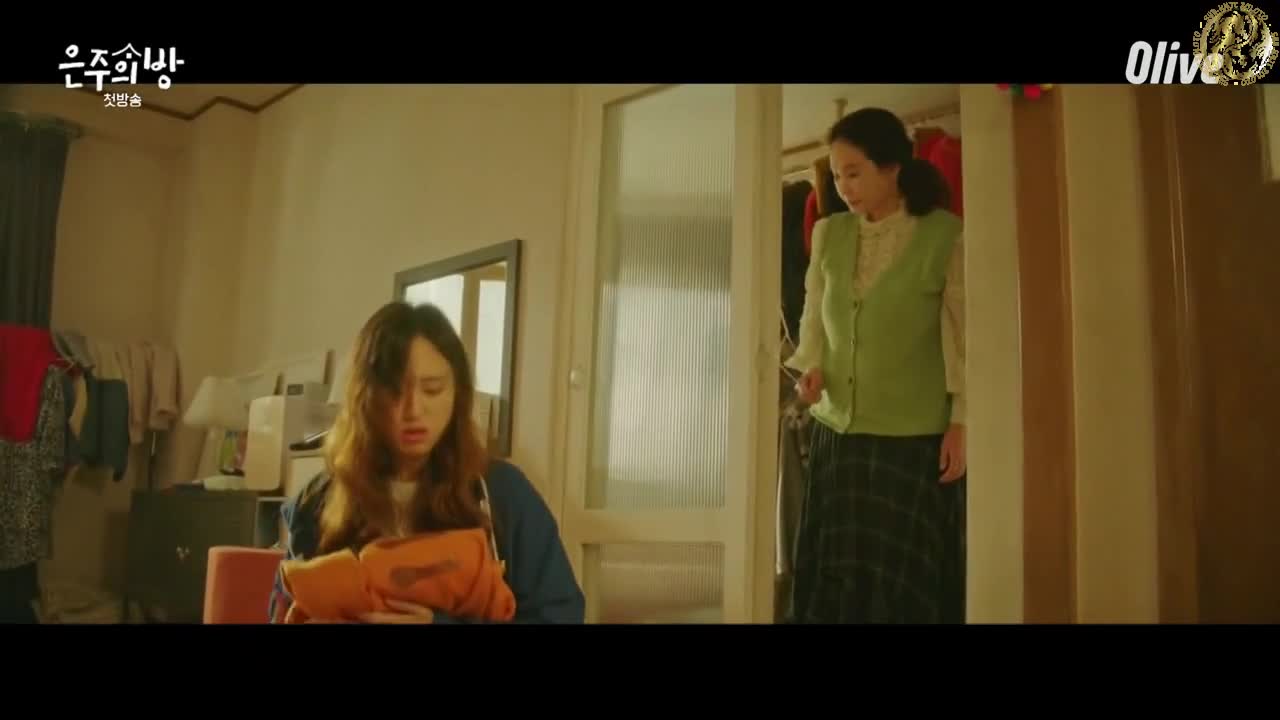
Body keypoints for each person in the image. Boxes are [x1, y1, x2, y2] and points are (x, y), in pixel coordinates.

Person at [268, 301, 585, 624]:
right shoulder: (317, 500)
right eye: (394, 392)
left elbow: (560, 615)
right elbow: (282, 610)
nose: (413, 410)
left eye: (432, 390)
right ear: (365, 398)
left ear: (457, 394)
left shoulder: (503, 492)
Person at [784, 107, 966, 624]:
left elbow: (964, 338)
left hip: (909, 441)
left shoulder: (944, 235)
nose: (843, 188)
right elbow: (814, 317)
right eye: (838, 176)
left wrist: (962, 421)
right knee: (835, 578)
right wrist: (810, 370)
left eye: (854, 173)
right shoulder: (829, 233)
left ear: (892, 167)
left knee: (899, 582)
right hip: (836, 436)